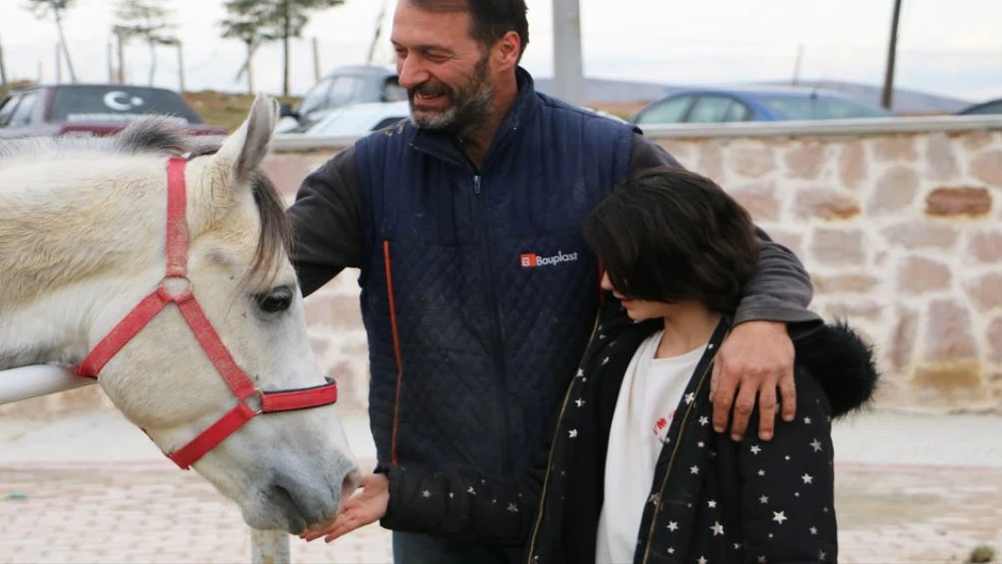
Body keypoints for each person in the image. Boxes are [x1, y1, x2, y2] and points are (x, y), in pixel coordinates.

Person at [288, 0, 823, 564]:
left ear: (505, 49)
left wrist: (763, 321)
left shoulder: (605, 155)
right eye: (401, 52)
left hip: (581, 503)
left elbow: (755, 256)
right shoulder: (368, 174)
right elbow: (250, 281)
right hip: (430, 513)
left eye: (435, 55)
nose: (410, 75)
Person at [301, 167, 879, 564]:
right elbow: (543, 504)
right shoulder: (611, 362)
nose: (603, 283)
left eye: (620, 265)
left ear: (674, 257)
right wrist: (398, 494)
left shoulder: (764, 381)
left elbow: (791, 550)